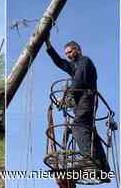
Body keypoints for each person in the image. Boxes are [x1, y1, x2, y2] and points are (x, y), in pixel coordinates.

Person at [45, 33, 110, 173]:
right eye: (67, 53)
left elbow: (78, 81)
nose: (68, 55)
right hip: (83, 102)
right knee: (90, 131)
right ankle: (103, 166)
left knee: (78, 126)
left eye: (70, 52)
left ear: (77, 50)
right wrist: (48, 46)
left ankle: (88, 158)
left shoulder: (84, 62)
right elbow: (60, 62)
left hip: (86, 100)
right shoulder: (75, 66)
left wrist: (67, 97)